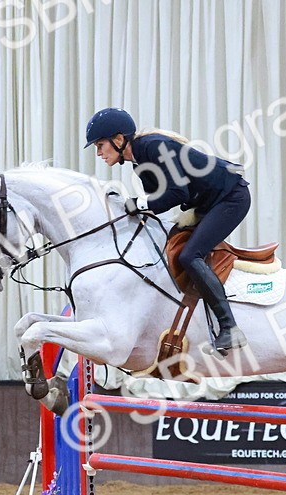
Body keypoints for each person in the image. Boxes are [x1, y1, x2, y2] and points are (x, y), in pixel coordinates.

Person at [84, 107, 249, 353]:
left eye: (100, 145)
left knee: (189, 255)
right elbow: (156, 202)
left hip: (230, 198)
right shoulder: (139, 162)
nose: (98, 153)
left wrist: (137, 204)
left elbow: (175, 193)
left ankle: (230, 328)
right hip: (208, 201)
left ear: (119, 139)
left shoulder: (154, 148)